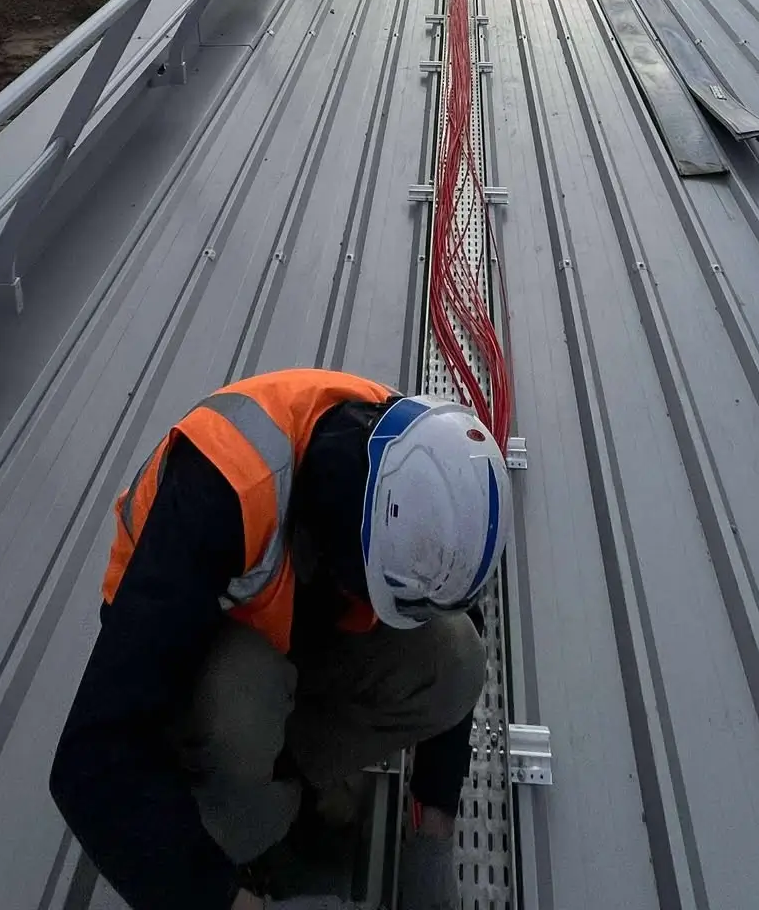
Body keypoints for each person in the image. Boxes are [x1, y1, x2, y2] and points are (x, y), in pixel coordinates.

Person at [50, 368, 512, 910]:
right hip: (192, 653)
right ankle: (242, 819)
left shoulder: (412, 457)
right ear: (351, 543)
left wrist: (433, 835)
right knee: (242, 697)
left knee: (454, 656)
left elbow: (461, 624)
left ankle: (286, 791)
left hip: (296, 623)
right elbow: (90, 757)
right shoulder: (220, 489)